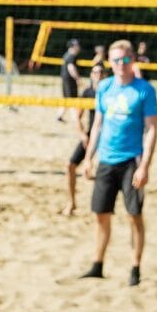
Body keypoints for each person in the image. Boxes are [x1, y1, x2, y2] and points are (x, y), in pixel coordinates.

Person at [81, 40, 157, 285]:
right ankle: (97, 264)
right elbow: (97, 124)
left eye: (125, 60)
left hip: (131, 161)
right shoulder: (104, 87)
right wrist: (88, 158)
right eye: (115, 60)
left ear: (132, 60)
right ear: (110, 63)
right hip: (106, 159)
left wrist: (145, 166)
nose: (120, 65)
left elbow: (152, 129)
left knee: (134, 215)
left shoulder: (144, 90)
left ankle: (135, 268)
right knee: (101, 214)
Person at [63, 63, 105, 216]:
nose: (98, 75)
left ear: (105, 75)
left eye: (101, 72)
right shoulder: (87, 92)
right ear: (91, 75)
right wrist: (82, 135)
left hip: (108, 137)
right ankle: (71, 203)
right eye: (95, 72)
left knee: (105, 173)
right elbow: (77, 116)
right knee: (70, 165)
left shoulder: (110, 92)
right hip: (91, 136)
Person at [59, 39, 82, 123]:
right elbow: (71, 68)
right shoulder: (72, 55)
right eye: (77, 45)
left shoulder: (67, 54)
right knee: (72, 99)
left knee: (66, 98)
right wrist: (77, 78)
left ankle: (59, 115)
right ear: (73, 46)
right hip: (70, 80)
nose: (79, 47)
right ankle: (75, 119)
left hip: (65, 79)